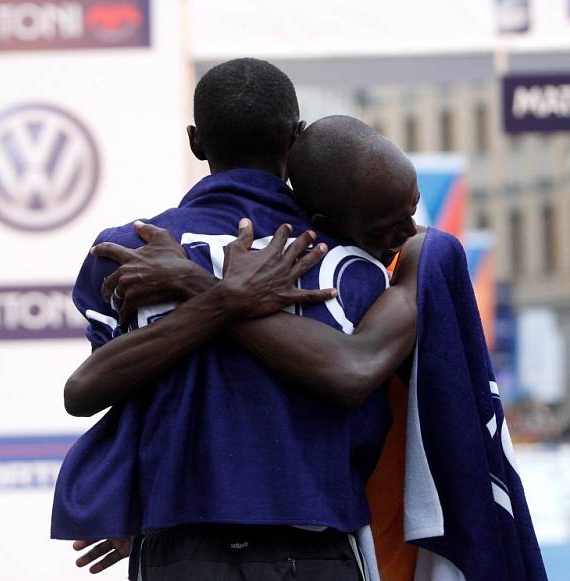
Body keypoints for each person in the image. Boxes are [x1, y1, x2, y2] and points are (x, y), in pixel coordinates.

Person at [53, 59, 419, 581]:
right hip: (313, 551)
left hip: (177, 549)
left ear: (196, 141)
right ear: (293, 139)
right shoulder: (348, 262)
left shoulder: (127, 251)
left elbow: (118, 400)